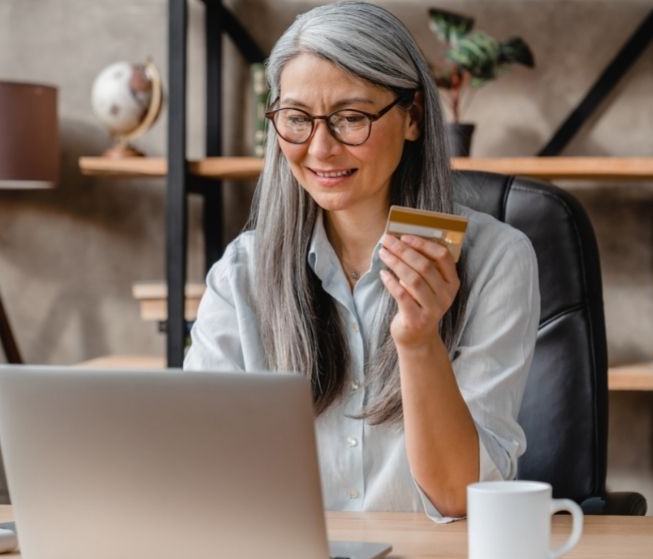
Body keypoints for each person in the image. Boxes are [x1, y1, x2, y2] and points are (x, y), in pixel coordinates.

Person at [184, 0, 539, 522]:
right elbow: (193, 468)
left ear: (413, 116)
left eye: (351, 118)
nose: (321, 148)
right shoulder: (242, 272)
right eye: (296, 119)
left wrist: (419, 341)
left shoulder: (497, 261)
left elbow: (461, 498)